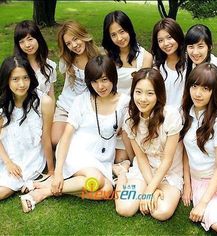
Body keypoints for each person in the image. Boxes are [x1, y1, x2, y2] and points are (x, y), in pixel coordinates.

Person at [19, 55, 129, 213]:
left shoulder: (125, 102)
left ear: (113, 77)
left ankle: (46, 188)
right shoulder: (82, 100)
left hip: (102, 158)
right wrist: (57, 172)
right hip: (77, 152)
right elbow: (65, 138)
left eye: (104, 80)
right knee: (95, 179)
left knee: (105, 191)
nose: (100, 86)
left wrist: (130, 162)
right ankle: (42, 192)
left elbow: (127, 133)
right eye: (95, 81)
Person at [115, 68, 183, 220]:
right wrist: (151, 189)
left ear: (159, 95)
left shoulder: (171, 116)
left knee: (161, 212)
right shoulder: (130, 118)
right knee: (124, 208)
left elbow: (167, 160)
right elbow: (141, 158)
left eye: (149, 93)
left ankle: (149, 188)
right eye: (138, 92)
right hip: (144, 169)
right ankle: (121, 174)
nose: (143, 99)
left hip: (169, 172)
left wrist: (151, 189)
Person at [181, 63, 217, 235]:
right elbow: (186, 152)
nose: (198, 93)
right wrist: (188, 184)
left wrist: (203, 202)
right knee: (216, 221)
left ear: (214, 92)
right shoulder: (185, 113)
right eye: (195, 86)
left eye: (205, 88)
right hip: (200, 181)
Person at [102, 10, 153, 168]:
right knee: (115, 158)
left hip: (135, 108)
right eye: (113, 35)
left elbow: (143, 90)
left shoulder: (145, 57)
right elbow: (104, 89)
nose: (119, 38)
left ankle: (133, 165)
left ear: (129, 29)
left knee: (123, 157)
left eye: (122, 32)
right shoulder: (106, 56)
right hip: (111, 107)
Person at [0, 56, 54, 200]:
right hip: (5, 152)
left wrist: (51, 171)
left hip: (29, 157)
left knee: (3, 191)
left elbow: (46, 137)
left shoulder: (45, 102)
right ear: (7, 80)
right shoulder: (2, 102)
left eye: (25, 77)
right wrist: (8, 162)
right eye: (15, 79)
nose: (22, 84)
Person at [185, 24, 217, 155]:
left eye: (200, 46)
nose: (195, 52)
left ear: (210, 46)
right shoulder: (191, 65)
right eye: (191, 47)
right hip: (202, 125)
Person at [52, 21, 99, 147]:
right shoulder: (66, 60)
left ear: (83, 35)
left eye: (75, 39)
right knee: (56, 139)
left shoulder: (99, 58)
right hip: (66, 106)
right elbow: (66, 85)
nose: (74, 45)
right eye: (68, 43)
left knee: (86, 140)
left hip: (88, 108)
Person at [14, 20, 57, 101]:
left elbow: (51, 95)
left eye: (30, 39)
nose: (27, 45)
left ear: (38, 39)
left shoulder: (49, 65)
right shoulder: (15, 66)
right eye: (21, 42)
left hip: (44, 110)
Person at [151, 17, 186, 109]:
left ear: (178, 35)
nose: (166, 43)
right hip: (162, 116)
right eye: (160, 40)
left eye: (169, 37)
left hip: (185, 116)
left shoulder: (190, 63)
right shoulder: (157, 65)